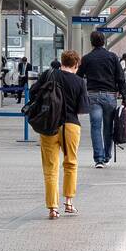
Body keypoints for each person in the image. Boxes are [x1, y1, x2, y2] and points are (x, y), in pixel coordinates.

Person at [38, 49, 90, 220]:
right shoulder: (79, 82)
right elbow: (82, 109)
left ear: (61, 62)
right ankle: (68, 202)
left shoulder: (49, 75)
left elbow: (33, 93)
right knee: (70, 163)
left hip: (49, 125)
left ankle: (53, 208)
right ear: (76, 65)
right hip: (70, 125)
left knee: (50, 167)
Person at [76, 30, 126, 168]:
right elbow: (120, 77)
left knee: (95, 127)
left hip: (92, 96)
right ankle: (106, 156)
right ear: (104, 41)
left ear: (91, 42)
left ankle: (98, 159)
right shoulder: (112, 57)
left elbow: (78, 77)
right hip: (110, 96)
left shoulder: (87, 58)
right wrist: (125, 97)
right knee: (108, 127)